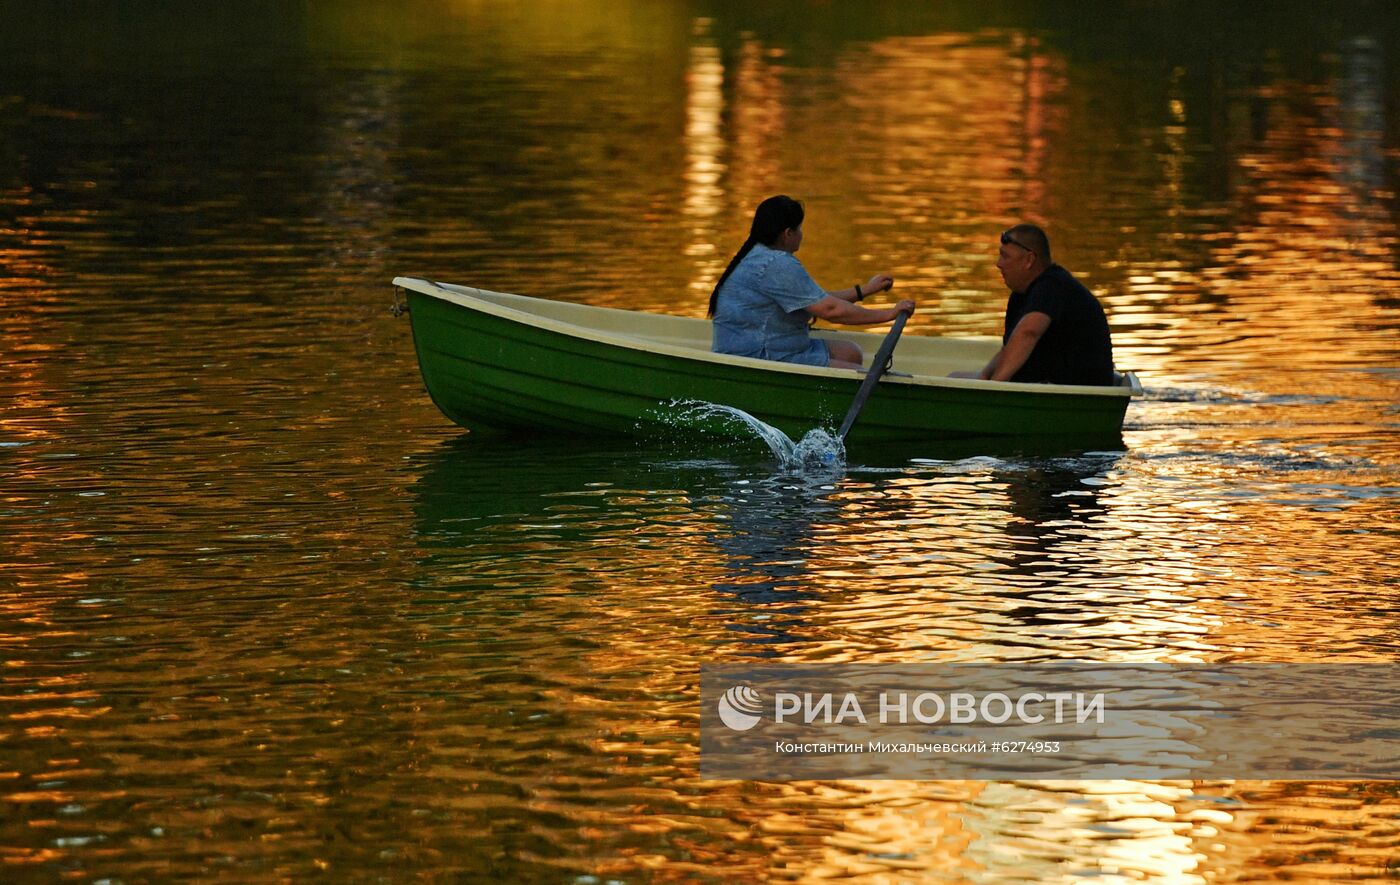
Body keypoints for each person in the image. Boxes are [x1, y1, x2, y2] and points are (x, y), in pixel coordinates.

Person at [710, 195, 914, 369]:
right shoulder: (776, 263)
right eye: (799, 228)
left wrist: (866, 290)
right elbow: (830, 310)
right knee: (856, 373)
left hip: (777, 344)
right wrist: (889, 314)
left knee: (850, 353)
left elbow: (816, 300)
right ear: (788, 233)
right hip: (760, 355)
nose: (802, 235)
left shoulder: (759, 254)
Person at [966, 223, 1115, 386]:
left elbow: (1028, 332)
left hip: (1077, 392)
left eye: (1005, 256)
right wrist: (983, 377)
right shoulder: (1021, 294)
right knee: (956, 376)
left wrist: (992, 387)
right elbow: (1010, 348)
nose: (998, 264)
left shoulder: (1052, 286)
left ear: (1029, 259)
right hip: (1048, 386)